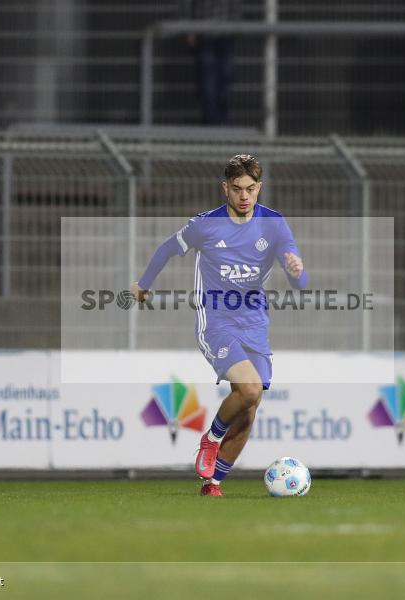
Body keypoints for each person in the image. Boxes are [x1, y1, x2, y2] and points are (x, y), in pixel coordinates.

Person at [131, 155, 308, 497]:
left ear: (260, 188)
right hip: (216, 320)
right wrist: (143, 284)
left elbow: (299, 280)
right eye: (238, 189)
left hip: (255, 323)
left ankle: (212, 483)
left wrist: (297, 271)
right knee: (251, 389)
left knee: (249, 407)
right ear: (225, 188)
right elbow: (167, 249)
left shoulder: (274, 224)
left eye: (251, 189)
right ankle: (210, 440)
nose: (245, 196)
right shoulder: (205, 225)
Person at [181, 0, 242, 125]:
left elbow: (236, 5)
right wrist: (190, 29)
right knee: (208, 83)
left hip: (227, 31)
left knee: (225, 77)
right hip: (204, 31)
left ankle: (219, 122)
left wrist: (236, 23)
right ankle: (213, 124)